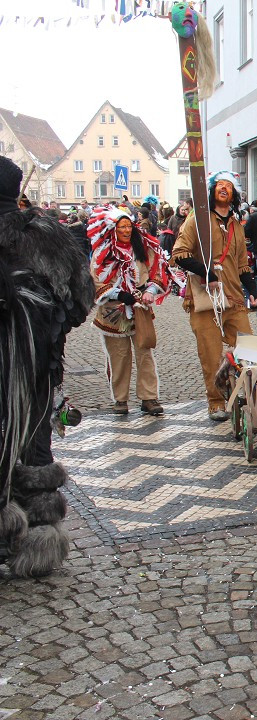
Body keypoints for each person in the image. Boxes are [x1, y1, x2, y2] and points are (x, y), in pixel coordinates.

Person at [0, 155, 94, 577]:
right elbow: (80, 300)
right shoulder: (47, 236)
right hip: (37, 369)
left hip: (31, 365)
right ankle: (39, 541)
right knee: (34, 442)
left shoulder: (41, 235)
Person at [170, 170, 257, 420]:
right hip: (204, 299)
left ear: (234, 194)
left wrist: (253, 291)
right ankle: (216, 402)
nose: (224, 189)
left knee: (247, 347)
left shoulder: (236, 224)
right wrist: (205, 272)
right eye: (220, 185)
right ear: (211, 191)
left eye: (229, 186)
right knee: (210, 354)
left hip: (232, 297)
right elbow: (179, 253)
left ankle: (245, 395)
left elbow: (243, 264)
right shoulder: (197, 219)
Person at [89, 206, 170, 416]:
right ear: (112, 229)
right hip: (112, 313)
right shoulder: (102, 253)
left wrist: (151, 290)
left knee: (145, 352)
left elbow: (157, 270)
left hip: (140, 309)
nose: (126, 230)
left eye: (128, 226)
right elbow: (97, 280)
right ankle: (120, 399)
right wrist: (118, 294)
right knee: (119, 356)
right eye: (121, 227)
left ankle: (149, 397)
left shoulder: (142, 248)